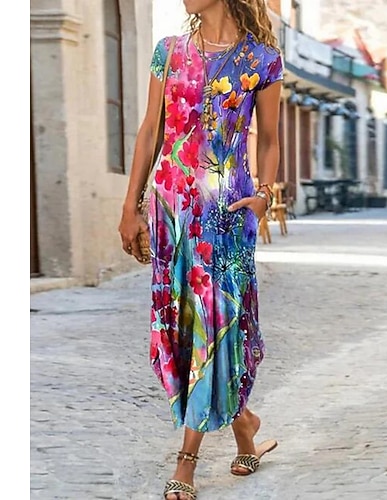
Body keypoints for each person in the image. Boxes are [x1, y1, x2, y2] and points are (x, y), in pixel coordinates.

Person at [118, 0, 283, 498]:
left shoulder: (262, 59)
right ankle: (244, 425)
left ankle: (186, 461)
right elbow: (150, 131)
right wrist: (131, 206)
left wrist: (265, 194)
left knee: (216, 323)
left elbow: (270, 139)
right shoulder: (168, 52)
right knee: (186, 323)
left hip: (226, 212)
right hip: (172, 208)